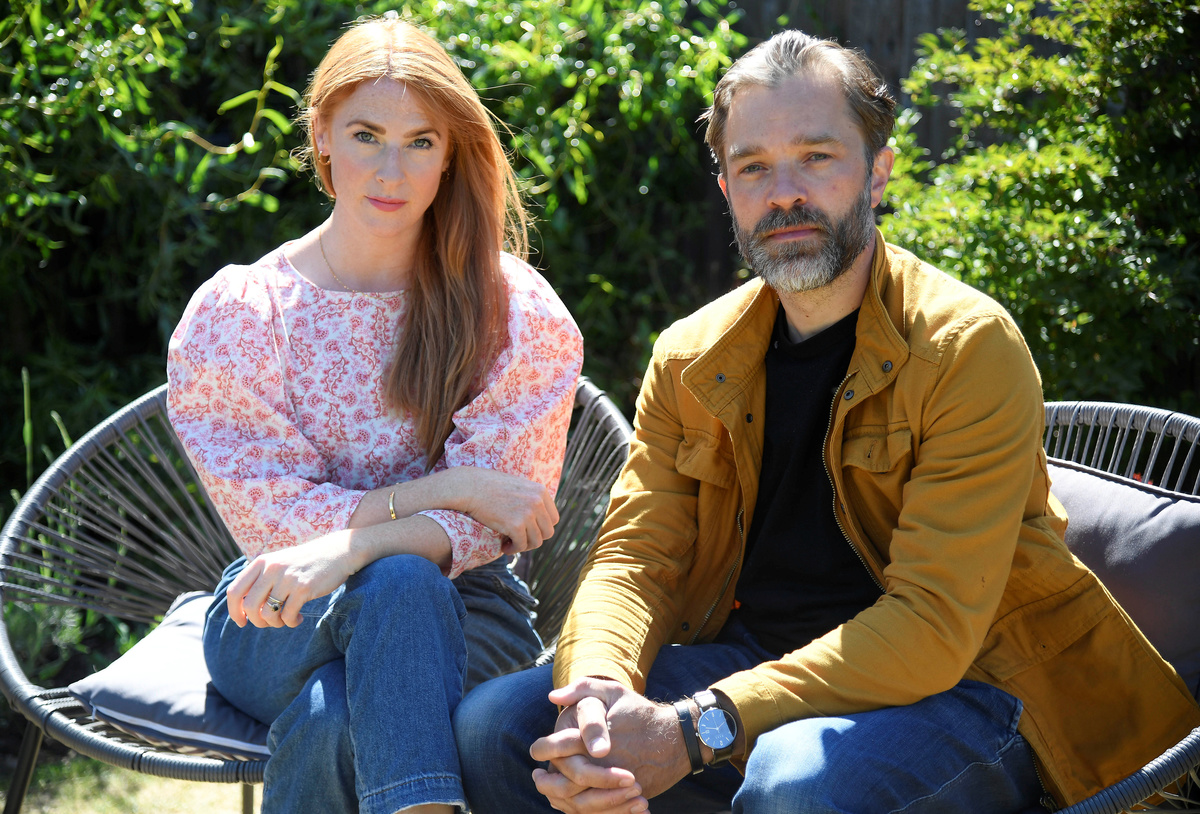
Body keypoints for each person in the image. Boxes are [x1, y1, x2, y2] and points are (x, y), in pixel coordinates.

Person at [453, 29, 1200, 814]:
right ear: (727, 190)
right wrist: (596, 690)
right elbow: (638, 555)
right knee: (500, 727)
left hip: (975, 686)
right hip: (756, 661)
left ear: (878, 172)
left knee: (796, 782)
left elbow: (933, 626)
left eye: (816, 157)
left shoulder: (965, 348)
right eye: (753, 167)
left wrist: (697, 726)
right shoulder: (691, 356)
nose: (784, 193)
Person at [166, 15, 583, 814]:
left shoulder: (510, 309)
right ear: (321, 134)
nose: (393, 171)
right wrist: (453, 486)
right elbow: (276, 524)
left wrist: (356, 547)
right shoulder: (242, 315)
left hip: (470, 612)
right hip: (276, 614)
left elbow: (498, 524)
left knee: (338, 709)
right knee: (394, 584)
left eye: (421, 142)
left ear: (450, 152)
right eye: (366, 135)